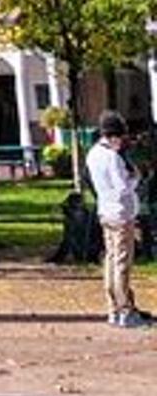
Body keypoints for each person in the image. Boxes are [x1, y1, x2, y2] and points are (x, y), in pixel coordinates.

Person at [86, 110, 149, 328]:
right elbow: (123, 187)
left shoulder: (93, 153)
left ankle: (113, 307)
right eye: (121, 137)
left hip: (105, 211)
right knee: (122, 263)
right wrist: (135, 179)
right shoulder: (112, 157)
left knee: (111, 260)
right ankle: (125, 309)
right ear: (114, 136)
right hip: (121, 213)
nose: (123, 142)